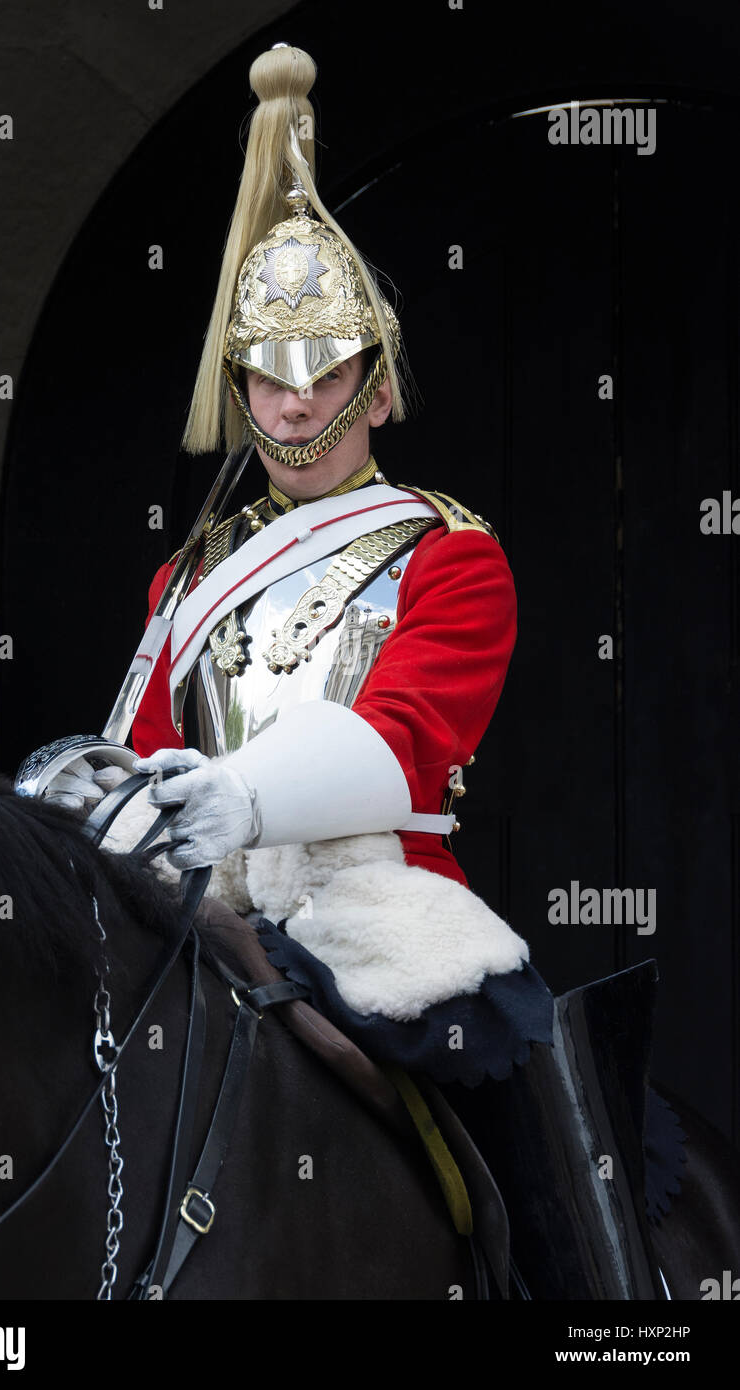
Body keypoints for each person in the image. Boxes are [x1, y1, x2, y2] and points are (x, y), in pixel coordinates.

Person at [46, 43, 665, 1300]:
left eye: (320, 373)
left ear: (375, 387)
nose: (289, 408)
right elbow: (149, 740)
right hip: (203, 920)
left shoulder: (448, 556)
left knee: (529, 1108)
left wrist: (242, 797)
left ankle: (613, 1311)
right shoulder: (186, 580)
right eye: (265, 380)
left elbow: (405, 737)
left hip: (383, 912)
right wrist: (103, 798)